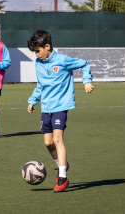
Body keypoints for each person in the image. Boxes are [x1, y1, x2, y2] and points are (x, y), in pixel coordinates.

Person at [27, 29, 94, 192]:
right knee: (48, 142)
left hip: (61, 106)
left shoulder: (63, 61)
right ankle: (62, 164)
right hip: (46, 107)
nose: (36, 55)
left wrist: (86, 81)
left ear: (47, 46)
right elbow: (41, 85)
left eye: (38, 51)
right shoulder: (38, 63)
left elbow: (84, 64)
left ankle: (62, 177)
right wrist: (33, 100)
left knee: (57, 140)